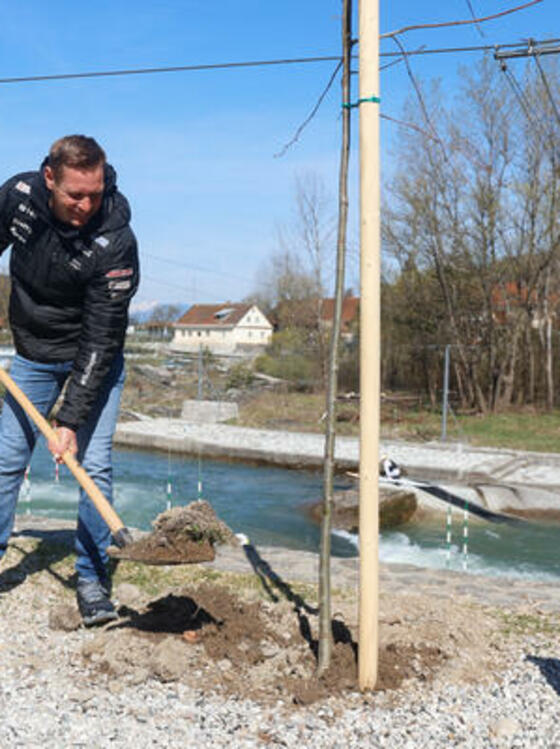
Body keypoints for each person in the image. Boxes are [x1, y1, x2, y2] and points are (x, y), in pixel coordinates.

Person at [0, 135, 139, 625]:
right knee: (5, 459)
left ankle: (92, 580)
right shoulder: (17, 197)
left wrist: (71, 420)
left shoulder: (115, 238)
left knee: (94, 467)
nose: (86, 205)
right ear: (50, 179)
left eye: (95, 194)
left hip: (94, 359)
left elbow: (102, 338)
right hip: (34, 355)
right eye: (74, 195)